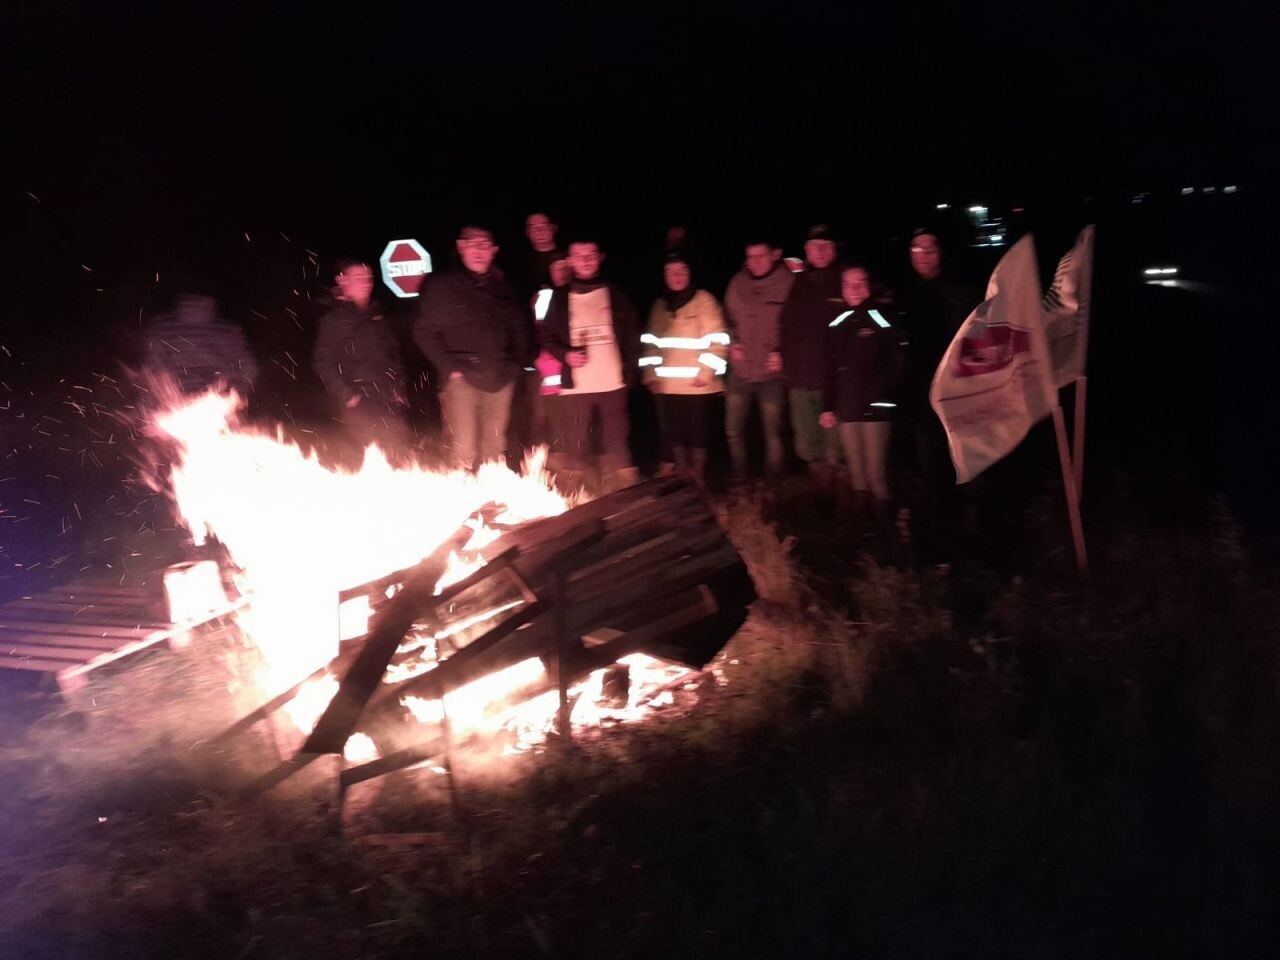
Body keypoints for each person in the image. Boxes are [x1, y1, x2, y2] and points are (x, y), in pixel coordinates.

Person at [414, 226, 534, 471]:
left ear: (494, 251)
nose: (479, 250)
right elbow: (424, 332)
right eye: (472, 244)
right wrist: (451, 368)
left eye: (485, 245)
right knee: (464, 447)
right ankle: (461, 494)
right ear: (461, 248)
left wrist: (514, 366)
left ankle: (492, 498)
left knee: (495, 445)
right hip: (461, 381)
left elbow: (520, 330)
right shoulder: (442, 286)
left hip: (501, 380)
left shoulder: (503, 288)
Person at [542, 237, 641, 492]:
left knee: (617, 439)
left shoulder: (615, 293)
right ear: (571, 261)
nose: (585, 260)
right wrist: (565, 354)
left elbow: (632, 334)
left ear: (600, 258)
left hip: (613, 382)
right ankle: (572, 498)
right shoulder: (560, 297)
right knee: (576, 441)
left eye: (591, 254)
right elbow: (546, 336)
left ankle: (624, 493)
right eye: (579, 255)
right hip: (576, 386)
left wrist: (630, 372)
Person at [819, 265, 906, 531]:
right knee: (857, 476)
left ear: (868, 286)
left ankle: (886, 530)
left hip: (876, 410)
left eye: (860, 284)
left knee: (876, 476)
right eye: (848, 285)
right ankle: (861, 530)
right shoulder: (837, 322)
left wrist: (877, 392)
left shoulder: (882, 318)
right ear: (842, 289)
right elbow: (829, 370)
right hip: (847, 410)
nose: (854, 290)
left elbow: (899, 363)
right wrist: (828, 407)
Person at [642, 254, 728, 485]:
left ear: (690, 273)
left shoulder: (704, 300)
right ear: (665, 276)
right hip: (668, 385)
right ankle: (681, 477)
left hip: (697, 384)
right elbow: (650, 342)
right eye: (672, 272)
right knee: (674, 433)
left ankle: (698, 478)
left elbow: (718, 339)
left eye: (682, 271)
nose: (677, 277)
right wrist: (650, 374)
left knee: (698, 434)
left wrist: (706, 372)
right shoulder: (660, 305)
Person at [313, 259, 409, 461]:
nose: (366, 283)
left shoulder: (379, 315)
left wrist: (398, 387)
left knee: (397, 449)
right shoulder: (332, 319)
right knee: (366, 454)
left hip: (387, 397)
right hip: (357, 400)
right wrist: (347, 394)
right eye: (359, 278)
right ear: (342, 281)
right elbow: (322, 362)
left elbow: (394, 355)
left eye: (369, 278)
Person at [723, 239, 793, 491]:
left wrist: (783, 351)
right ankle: (741, 478)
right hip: (741, 371)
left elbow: (797, 326)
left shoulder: (788, 284)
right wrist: (733, 340)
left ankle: (773, 483)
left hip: (771, 372)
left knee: (773, 434)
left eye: (761, 256)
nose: (755, 262)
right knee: (733, 430)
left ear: (775, 254)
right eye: (750, 257)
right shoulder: (737, 283)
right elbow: (727, 318)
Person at [779, 224, 845, 486]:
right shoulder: (797, 282)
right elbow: (785, 325)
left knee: (836, 444)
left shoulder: (846, 280)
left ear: (834, 250)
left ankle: (843, 496)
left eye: (825, 246)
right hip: (800, 378)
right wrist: (785, 361)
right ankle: (819, 490)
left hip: (831, 380)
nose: (820, 251)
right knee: (807, 444)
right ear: (806, 250)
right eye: (814, 246)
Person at [145, 287, 258, 397]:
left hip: (215, 397)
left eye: (199, 303)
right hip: (173, 397)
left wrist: (235, 391)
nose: (194, 306)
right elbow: (152, 363)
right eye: (190, 302)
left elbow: (248, 368)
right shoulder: (164, 327)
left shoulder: (228, 331)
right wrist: (161, 389)